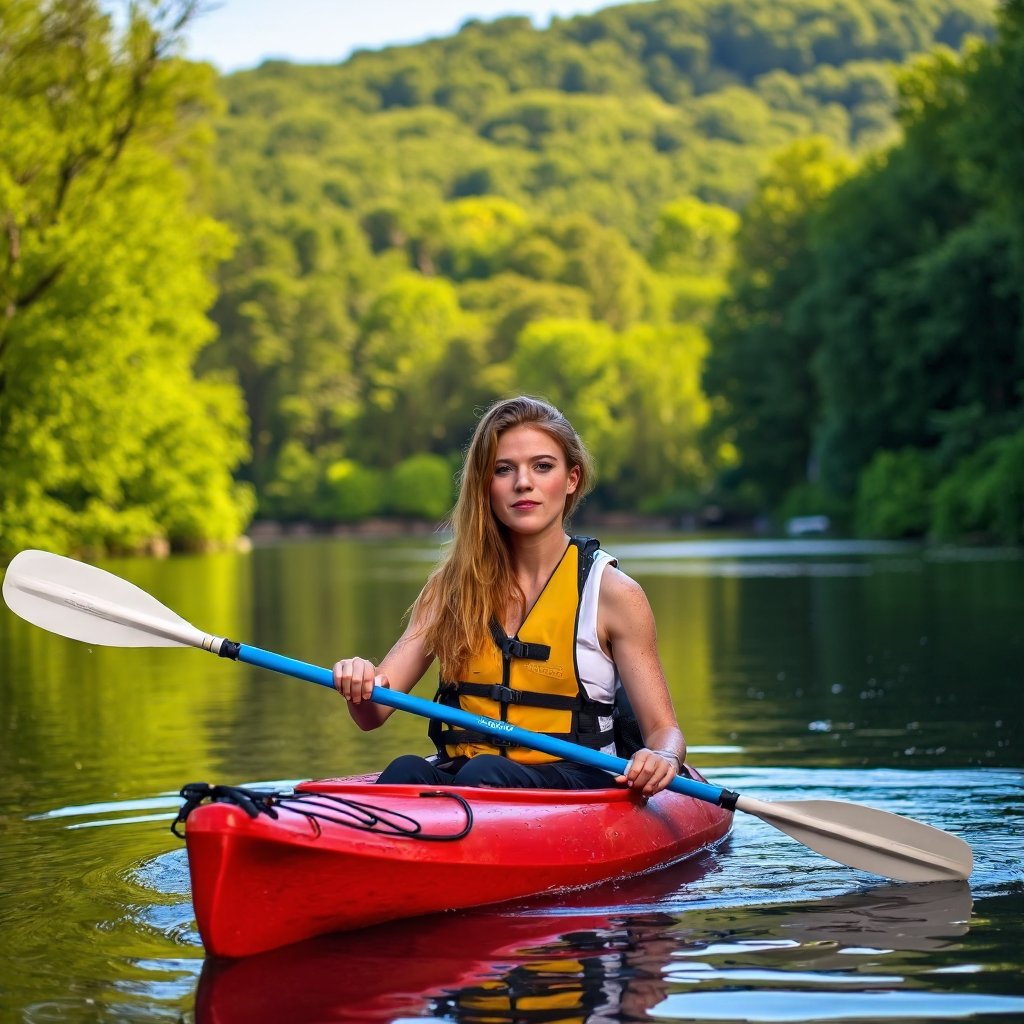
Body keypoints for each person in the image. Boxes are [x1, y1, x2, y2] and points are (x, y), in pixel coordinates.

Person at [332, 395, 686, 797]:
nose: (523, 482)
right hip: (472, 776)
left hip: (576, 782)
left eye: (542, 466)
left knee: (486, 774)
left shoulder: (614, 594)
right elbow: (373, 712)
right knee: (407, 770)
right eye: (504, 469)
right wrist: (359, 681)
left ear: (571, 479)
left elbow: (664, 731)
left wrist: (665, 759)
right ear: (486, 483)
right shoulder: (450, 589)